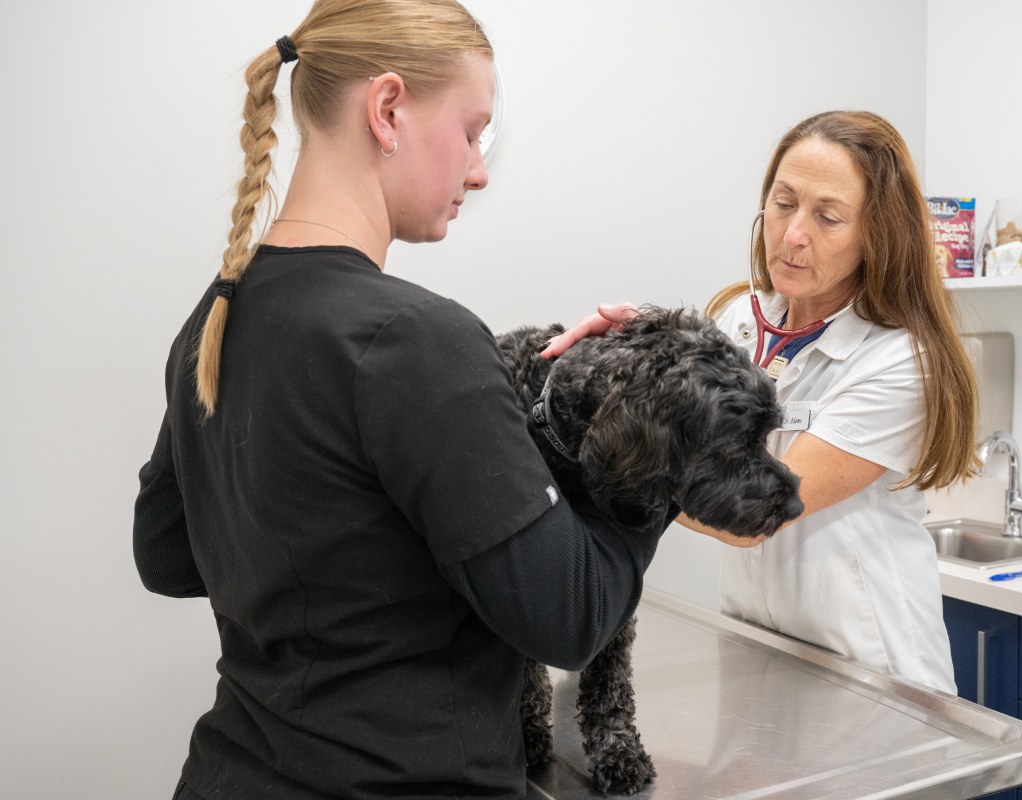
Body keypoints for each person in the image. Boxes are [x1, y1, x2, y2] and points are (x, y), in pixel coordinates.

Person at [132, 2, 674, 798]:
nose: (479, 169)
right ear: (388, 110)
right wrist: (658, 430)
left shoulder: (215, 319)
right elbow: (569, 621)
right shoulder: (415, 342)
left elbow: (168, 555)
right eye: (473, 131)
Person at [547, 110, 978, 693]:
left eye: (828, 217)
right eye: (783, 202)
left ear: (878, 236)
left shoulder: (901, 362)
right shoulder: (738, 321)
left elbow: (753, 515)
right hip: (759, 652)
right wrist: (640, 341)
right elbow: (676, 423)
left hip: (872, 668)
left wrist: (604, 460)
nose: (794, 233)